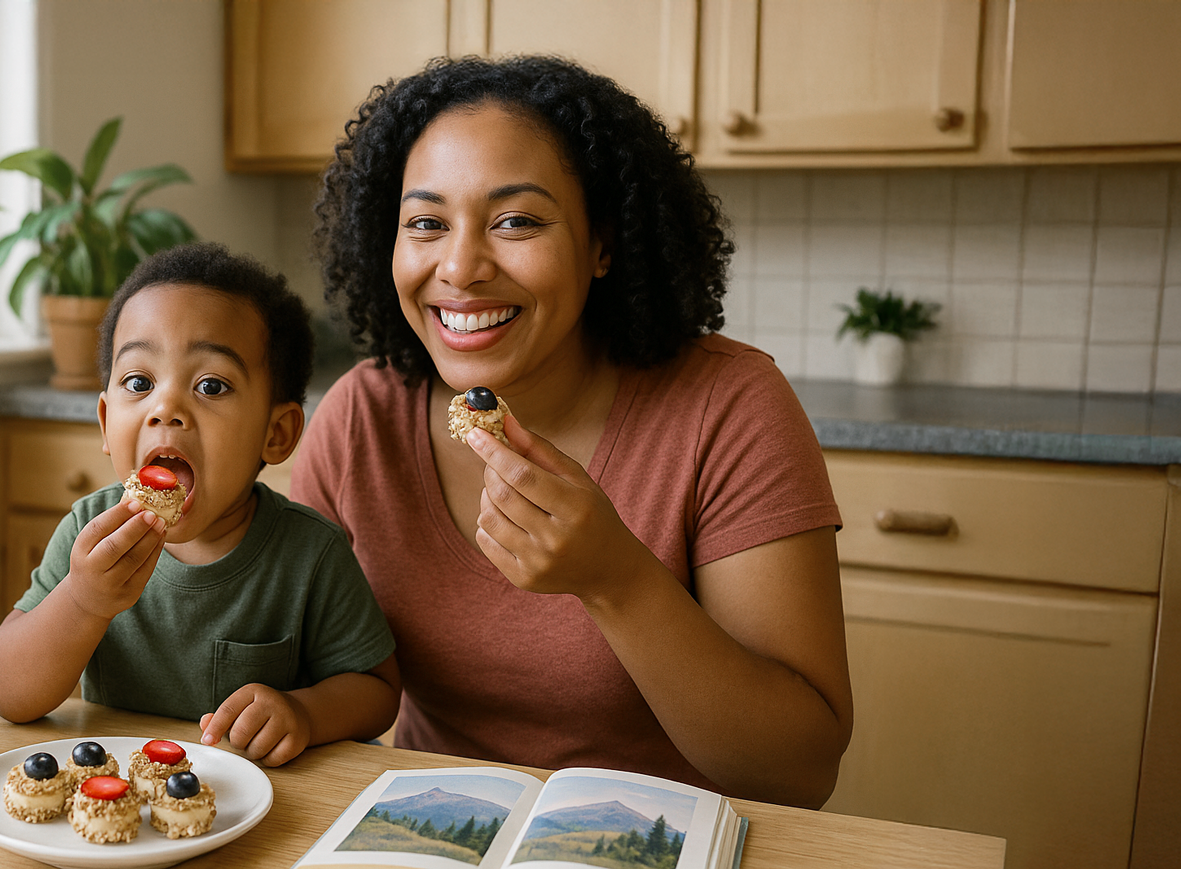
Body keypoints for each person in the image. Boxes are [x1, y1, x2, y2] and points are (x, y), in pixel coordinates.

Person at [295, 55, 852, 808]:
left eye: (517, 221)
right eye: (425, 223)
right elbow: (305, 687)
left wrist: (615, 579)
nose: (459, 266)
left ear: (602, 245)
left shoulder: (729, 407)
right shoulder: (361, 418)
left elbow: (800, 769)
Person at [0, 242, 401, 767]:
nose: (167, 408)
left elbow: (378, 691)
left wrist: (304, 712)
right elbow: (8, 692)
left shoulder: (310, 553)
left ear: (276, 433)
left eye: (211, 385)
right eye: (139, 382)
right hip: (119, 805)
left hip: (262, 811)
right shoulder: (88, 534)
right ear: (106, 422)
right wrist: (83, 601)